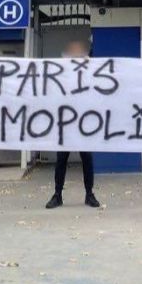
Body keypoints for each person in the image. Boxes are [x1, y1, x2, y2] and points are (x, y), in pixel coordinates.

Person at [46, 40, 101, 209]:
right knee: (61, 159)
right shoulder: (63, 77)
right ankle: (57, 195)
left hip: (83, 123)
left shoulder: (88, 78)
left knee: (87, 159)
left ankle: (89, 194)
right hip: (66, 124)